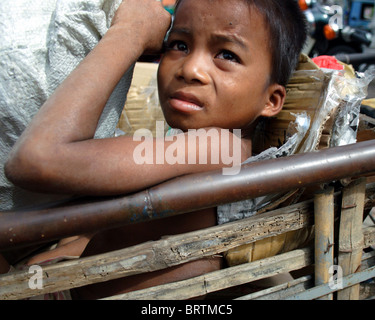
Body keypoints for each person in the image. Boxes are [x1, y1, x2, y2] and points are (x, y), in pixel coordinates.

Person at [4, 0, 307, 299]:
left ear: (272, 101)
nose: (190, 69)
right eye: (179, 45)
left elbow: (36, 159)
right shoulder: (204, 146)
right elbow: (121, 238)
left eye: (226, 54)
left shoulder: (217, 146)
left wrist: (128, 32)